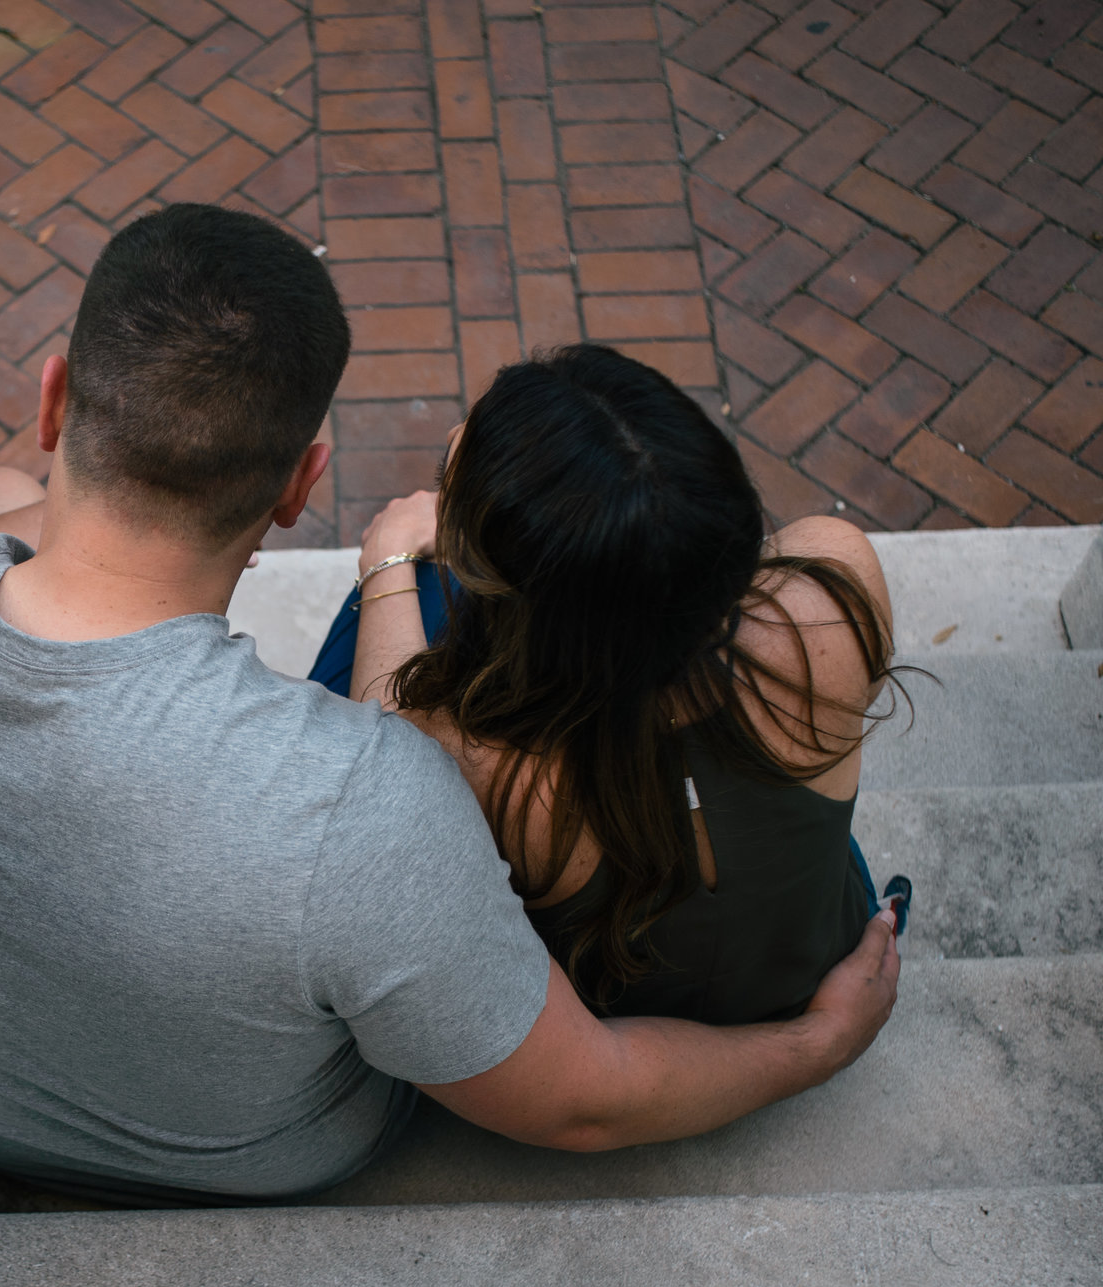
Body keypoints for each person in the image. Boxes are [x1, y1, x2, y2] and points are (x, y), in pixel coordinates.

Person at [0, 203, 901, 1206]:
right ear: (300, 487)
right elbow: (579, 1102)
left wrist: (389, 567)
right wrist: (814, 1043)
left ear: (55, 399)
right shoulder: (369, 803)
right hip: (264, 1158)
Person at [320, 343, 912, 1025]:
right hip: (814, 966)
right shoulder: (833, 591)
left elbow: (384, 742)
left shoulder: (491, 775)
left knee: (419, 595)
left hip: (624, 1025)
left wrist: (389, 557)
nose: (457, 439)